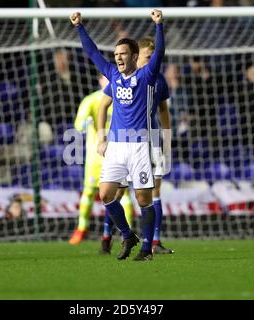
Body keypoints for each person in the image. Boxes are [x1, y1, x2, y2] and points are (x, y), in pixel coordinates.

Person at [70, 8, 165, 261]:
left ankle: (146, 249)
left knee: (144, 199)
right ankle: (127, 234)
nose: (119, 58)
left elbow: (160, 53)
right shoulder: (112, 75)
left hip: (139, 146)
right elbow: (91, 53)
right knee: (105, 195)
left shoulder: (147, 75)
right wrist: (80, 27)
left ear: (135, 56)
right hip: (116, 147)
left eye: (123, 54)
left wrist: (158, 26)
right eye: (116, 55)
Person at [98, 37, 174, 255]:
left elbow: (163, 111)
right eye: (146, 56)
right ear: (137, 56)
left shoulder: (157, 80)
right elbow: (103, 106)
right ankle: (111, 235)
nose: (150, 59)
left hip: (148, 142)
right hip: (121, 142)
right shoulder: (121, 77)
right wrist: (101, 137)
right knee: (114, 193)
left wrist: (166, 139)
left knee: (149, 194)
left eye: (152, 56)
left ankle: (152, 243)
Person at [68, 74, 134, 245]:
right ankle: (82, 229)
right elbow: (78, 125)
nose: (108, 82)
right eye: (105, 78)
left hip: (118, 153)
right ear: (100, 80)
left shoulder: (123, 98)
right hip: (95, 156)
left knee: (123, 193)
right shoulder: (91, 100)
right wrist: (85, 123)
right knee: (89, 192)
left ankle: (126, 231)